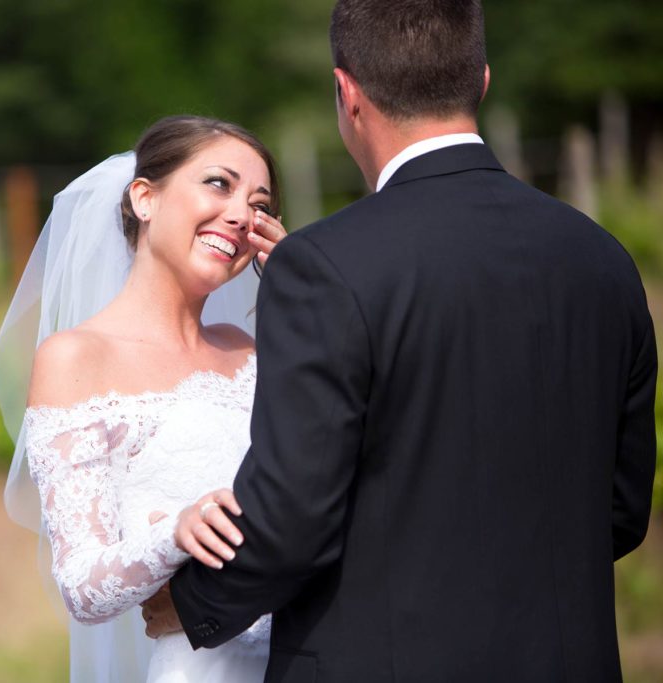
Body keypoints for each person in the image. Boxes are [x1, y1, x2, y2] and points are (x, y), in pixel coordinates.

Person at [144, 1, 658, 681]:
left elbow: (290, 522)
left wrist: (186, 604)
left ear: (347, 94)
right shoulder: (604, 260)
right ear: (481, 80)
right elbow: (620, 512)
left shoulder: (323, 266)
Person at [0, 115, 289, 682]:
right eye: (219, 184)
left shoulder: (255, 352)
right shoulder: (75, 359)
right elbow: (82, 586)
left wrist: (302, 297)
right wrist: (173, 532)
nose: (241, 214)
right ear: (145, 198)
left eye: (260, 204)